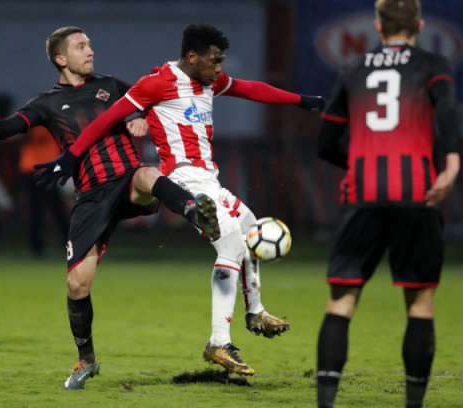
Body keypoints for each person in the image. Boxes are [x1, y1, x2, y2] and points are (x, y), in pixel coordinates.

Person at [34, 23, 326, 377]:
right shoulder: (156, 83)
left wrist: (301, 100)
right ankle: (219, 342)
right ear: (192, 57)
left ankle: (255, 311)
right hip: (183, 179)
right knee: (231, 246)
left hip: (209, 178)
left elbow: (251, 89)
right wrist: (71, 156)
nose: (219, 68)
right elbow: (106, 119)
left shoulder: (210, 81)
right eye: (214, 60)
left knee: (250, 228)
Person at [0, 26, 221, 390]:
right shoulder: (45, 103)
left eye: (90, 44)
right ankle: (87, 360)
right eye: (81, 46)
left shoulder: (112, 86)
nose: (90, 50)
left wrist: (140, 117)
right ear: (61, 58)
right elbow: (5, 129)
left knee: (147, 175)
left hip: (127, 179)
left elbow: (151, 102)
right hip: (91, 197)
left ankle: (198, 214)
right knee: (77, 284)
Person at [314, 1, 460, 407]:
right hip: (418, 193)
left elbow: (325, 144)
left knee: (341, 302)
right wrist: (450, 165)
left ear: (377, 27)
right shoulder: (433, 63)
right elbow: (447, 111)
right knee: (420, 303)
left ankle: (325, 403)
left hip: (362, 194)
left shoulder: (352, 68)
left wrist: (360, 163)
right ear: (420, 25)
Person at [18, 125, 70, 257]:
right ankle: (38, 247)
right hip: (35, 166)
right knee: (44, 210)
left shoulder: (47, 119)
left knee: (53, 209)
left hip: (43, 165)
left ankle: (40, 247)